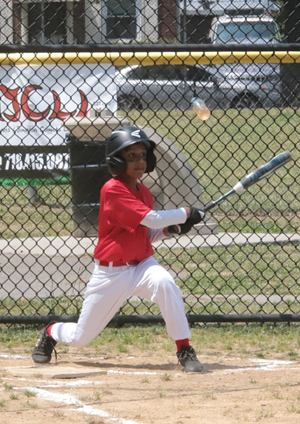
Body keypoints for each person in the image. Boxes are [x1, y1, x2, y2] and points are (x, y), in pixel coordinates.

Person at [31, 126, 207, 373]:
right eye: (131, 156)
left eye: (143, 156)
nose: (139, 161)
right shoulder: (112, 189)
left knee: (166, 283)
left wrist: (171, 230)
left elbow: (147, 232)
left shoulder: (143, 192)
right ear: (116, 161)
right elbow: (154, 219)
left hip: (142, 266)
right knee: (81, 338)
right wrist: (187, 212)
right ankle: (51, 331)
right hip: (111, 273)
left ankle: (184, 348)